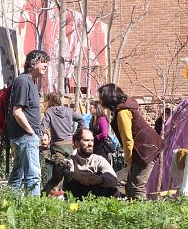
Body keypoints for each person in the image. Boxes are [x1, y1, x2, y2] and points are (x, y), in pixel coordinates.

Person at [98, 83, 164, 199]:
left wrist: (128, 161)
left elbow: (128, 140)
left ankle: (141, 215)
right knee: (130, 186)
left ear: (108, 98)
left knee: (136, 186)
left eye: (101, 97)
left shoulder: (123, 112)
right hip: (146, 149)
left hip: (145, 151)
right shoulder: (124, 109)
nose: (100, 101)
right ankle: (133, 212)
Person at [7, 49, 49, 196]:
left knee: (17, 177)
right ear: (32, 63)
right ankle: (34, 213)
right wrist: (31, 132)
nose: (46, 65)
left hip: (24, 136)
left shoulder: (30, 82)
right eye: (43, 61)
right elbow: (17, 111)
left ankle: (9, 205)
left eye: (46, 62)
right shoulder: (23, 81)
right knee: (33, 176)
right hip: (25, 136)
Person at [44, 129, 118, 199]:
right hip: (76, 201)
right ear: (77, 143)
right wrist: (74, 175)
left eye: (92, 140)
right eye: (86, 140)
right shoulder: (70, 161)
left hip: (98, 200)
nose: (90, 144)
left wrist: (100, 179)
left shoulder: (99, 160)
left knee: (110, 186)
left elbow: (113, 179)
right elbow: (59, 178)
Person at [42, 91, 85, 158]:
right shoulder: (69, 110)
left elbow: (43, 127)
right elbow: (82, 120)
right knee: (69, 166)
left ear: (49, 101)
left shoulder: (49, 111)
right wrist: (76, 135)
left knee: (58, 167)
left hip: (57, 146)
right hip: (69, 145)